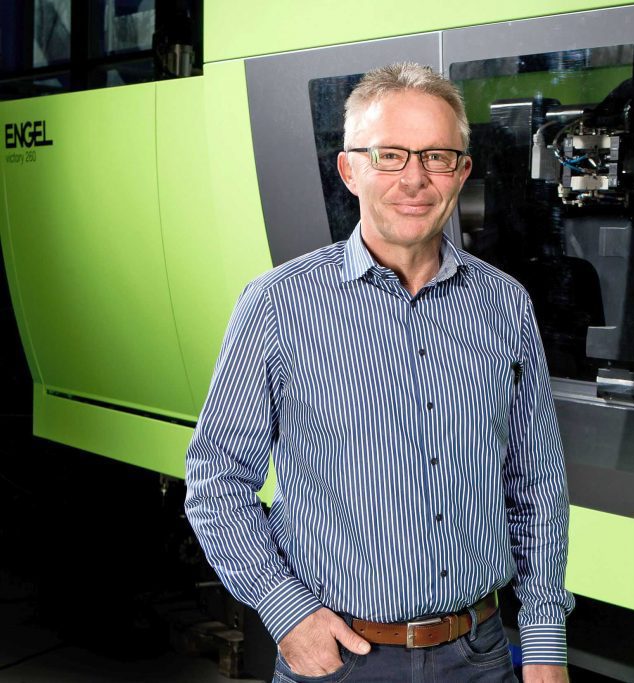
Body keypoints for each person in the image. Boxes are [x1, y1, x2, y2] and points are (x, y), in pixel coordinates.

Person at [184, 62, 573, 682]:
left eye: (437, 157)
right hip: (342, 661)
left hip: (479, 658)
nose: (414, 179)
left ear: (462, 172)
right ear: (349, 170)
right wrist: (287, 613)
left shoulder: (504, 304)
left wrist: (545, 639)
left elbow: (538, 483)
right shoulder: (278, 305)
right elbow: (216, 479)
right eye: (389, 155)